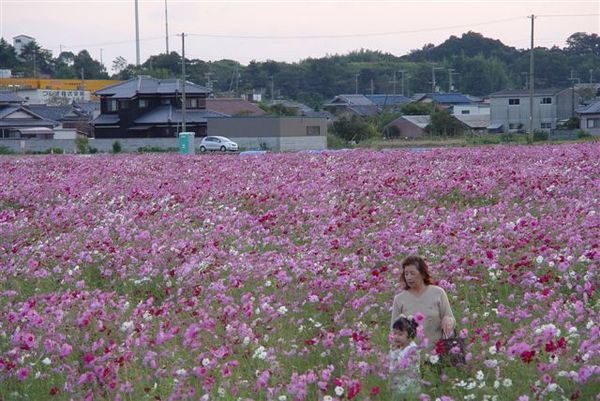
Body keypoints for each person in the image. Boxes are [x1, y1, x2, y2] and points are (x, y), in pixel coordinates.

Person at [391, 255, 455, 350]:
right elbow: (394, 331)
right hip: (411, 356)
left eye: (412, 273)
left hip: (437, 353)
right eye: (406, 274)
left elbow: (451, 318)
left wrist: (448, 320)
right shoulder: (399, 299)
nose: (408, 277)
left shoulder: (438, 293)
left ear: (422, 274)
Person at [389, 315, 421, 400]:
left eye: (400, 334)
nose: (396, 337)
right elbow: (391, 365)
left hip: (410, 388)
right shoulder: (398, 348)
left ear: (410, 335)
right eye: (394, 333)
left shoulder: (412, 349)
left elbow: (404, 367)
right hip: (399, 387)